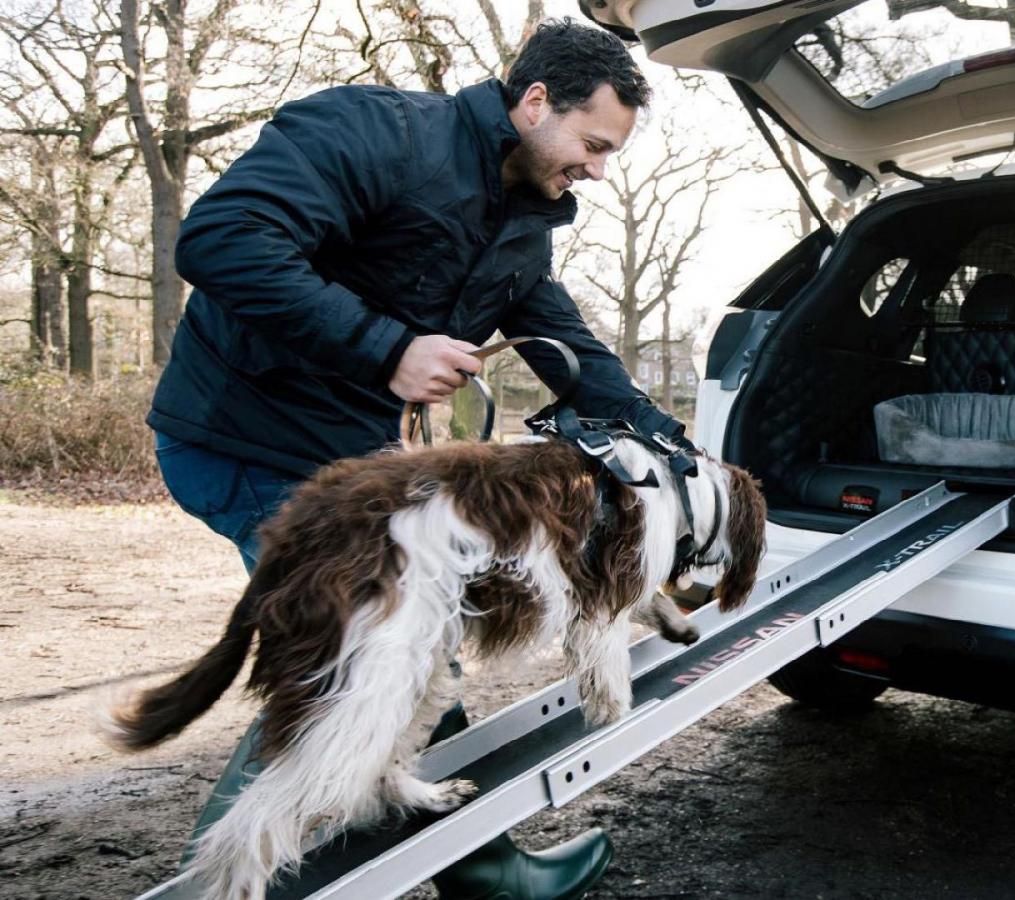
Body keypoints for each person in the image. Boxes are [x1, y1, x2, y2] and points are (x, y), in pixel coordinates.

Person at [147, 18, 683, 899]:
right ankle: (224, 886)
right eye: (592, 144)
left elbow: (565, 348)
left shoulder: (521, 226)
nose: (596, 168)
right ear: (534, 101)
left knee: (416, 649)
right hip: (240, 437)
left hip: (348, 463)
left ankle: (483, 868)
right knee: (363, 666)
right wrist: (384, 347)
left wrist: (667, 440)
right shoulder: (374, 131)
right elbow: (222, 239)